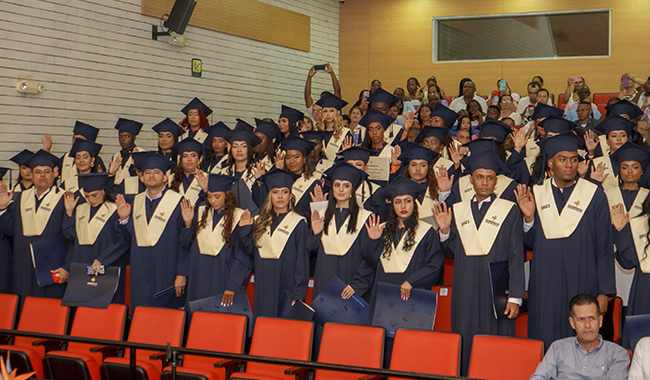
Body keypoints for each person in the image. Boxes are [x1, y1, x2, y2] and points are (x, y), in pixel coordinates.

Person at [515, 132, 616, 349]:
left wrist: (604, 292)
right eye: (562, 159)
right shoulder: (537, 194)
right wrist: (529, 218)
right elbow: (530, 243)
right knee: (545, 335)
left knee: (582, 341)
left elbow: (605, 248)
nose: (569, 165)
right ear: (550, 162)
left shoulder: (594, 195)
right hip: (545, 283)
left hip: (584, 282)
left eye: (574, 159)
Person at [435, 149, 525, 375]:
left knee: (495, 342)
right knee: (465, 338)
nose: (484, 182)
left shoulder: (509, 210)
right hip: (464, 287)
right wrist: (445, 232)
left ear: (496, 181)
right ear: (471, 180)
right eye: (479, 177)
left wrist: (515, 297)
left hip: (495, 291)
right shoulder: (459, 210)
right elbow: (453, 252)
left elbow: (516, 254)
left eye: (490, 177)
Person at [234, 168, 309, 318]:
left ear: (290, 195)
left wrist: (299, 292)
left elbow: (302, 260)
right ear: (270, 195)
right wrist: (244, 230)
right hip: (264, 282)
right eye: (275, 192)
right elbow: (251, 250)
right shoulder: (260, 221)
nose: (280, 196)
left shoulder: (299, 223)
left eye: (284, 191)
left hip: (286, 284)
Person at [115, 154, 187, 310]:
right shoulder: (136, 202)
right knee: (140, 311)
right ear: (141, 178)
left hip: (167, 269)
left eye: (156, 172)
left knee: (165, 315)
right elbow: (131, 239)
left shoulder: (178, 202)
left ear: (165, 178)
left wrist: (181, 274)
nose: (151, 176)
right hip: (140, 268)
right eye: (147, 172)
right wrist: (124, 220)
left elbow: (185, 242)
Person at [0, 150, 69, 300]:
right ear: (31, 175)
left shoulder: (65, 199)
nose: (42, 175)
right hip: (23, 264)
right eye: (37, 172)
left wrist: (67, 267)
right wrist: (2, 209)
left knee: (50, 308)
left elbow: (71, 237)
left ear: (55, 173)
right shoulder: (19, 198)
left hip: (52, 267)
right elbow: (9, 230)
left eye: (46, 171)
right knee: (25, 307)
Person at [309, 162, 382, 300]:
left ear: (352, 190)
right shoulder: (322, 215)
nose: (341, 189)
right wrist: (316, 234)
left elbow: (370, 260)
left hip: (351, 285)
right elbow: (311, 250)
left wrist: (358, 285)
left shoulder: (365, 218)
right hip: (324, 281)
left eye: (346, 185)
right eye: (337, 185)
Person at [372, 175, 444, 304]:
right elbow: (370, 263)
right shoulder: (381, 230)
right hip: (383, 293)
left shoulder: (427, 231)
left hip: (414, 293)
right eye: (398, 202)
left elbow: (435, 264)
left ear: (414, 203)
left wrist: (412, 281)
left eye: (408, 201)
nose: (403, 206)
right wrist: (372, 241)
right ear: (392, 205)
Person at [179, 173, 248, 307]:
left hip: (222, 277)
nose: (213, 201)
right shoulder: (200, 212)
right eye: (209, 196)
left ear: (227, 196)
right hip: (198, 275)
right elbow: (186, 245)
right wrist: (188, 224)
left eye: (217, 196)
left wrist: (232, 285)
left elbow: (242, 256)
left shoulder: (239, 217)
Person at [62, 172, 130, 303]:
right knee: (82, 306)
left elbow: (123, 240)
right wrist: (69, 213)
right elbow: (70, 237)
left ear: (103, 191)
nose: (91, 200)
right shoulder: (80, 209)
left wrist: (103, 259)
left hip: (106, 265)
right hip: (81, 264)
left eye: (94, 195)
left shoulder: (115, 210)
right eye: (87, 196)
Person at [529, 294, 629, 380]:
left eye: (592, 318)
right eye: (581, 319)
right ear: (572, 323)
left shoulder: (617, 354)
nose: (587, 325)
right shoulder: (558, 348)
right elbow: (538, 377)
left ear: (600, 321)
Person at [222, 121, 263, 214]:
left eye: (243, 146)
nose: (239, 150)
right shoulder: (224, 173)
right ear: (230, 149)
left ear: (249, 149)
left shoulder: (257, 173)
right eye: (235, 146)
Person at [168, 138, 207, 207]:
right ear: (181, 159)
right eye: (185, 156)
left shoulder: (206, 178)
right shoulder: (171, 178)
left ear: (198, 159)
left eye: (193, 155)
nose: (189, 159)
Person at [316, 92, 350, 159]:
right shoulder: (318, 132)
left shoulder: (345, 133)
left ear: (336, 113)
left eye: (331, 111)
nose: (328, 114)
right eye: (325, 111)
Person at [110, 117, 143, 186]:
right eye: (121, 136)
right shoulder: (116, 156)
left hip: (134, 191)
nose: (123, 139)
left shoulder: (142, 153)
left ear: (134, 138)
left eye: (127, 136)